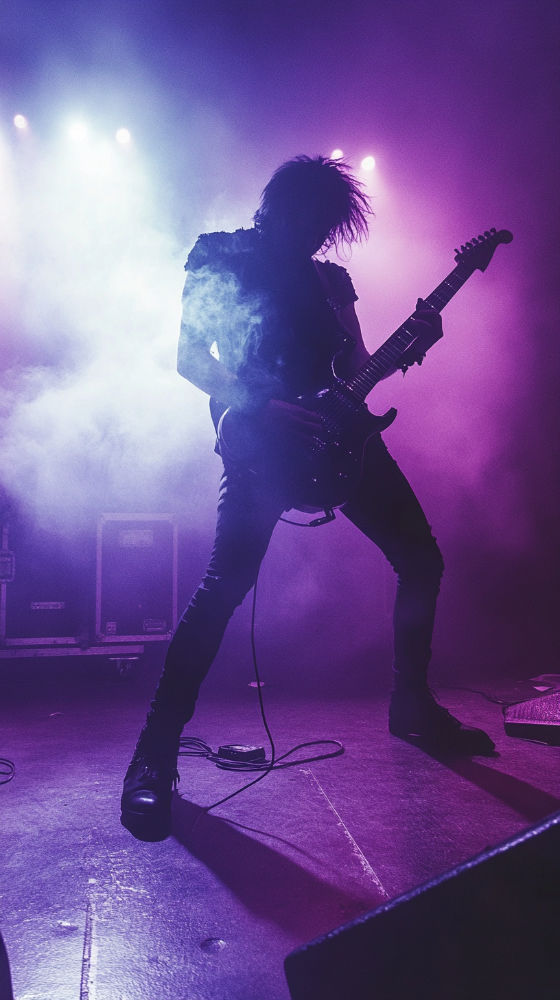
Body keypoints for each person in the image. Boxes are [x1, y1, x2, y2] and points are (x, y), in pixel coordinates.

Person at [121, 156, 494, 841]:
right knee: (221, 589)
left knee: (421, 559)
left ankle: (411, 702)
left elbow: (355, 368)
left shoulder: (330, 280)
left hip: (340, 437)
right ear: (279, 208)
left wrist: (413, 345)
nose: (319, 239)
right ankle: (153, 756)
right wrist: (262, 402)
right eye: (311, 222)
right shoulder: (221, 254)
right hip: (262, 443)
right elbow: (189, 357)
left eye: (328, 228)